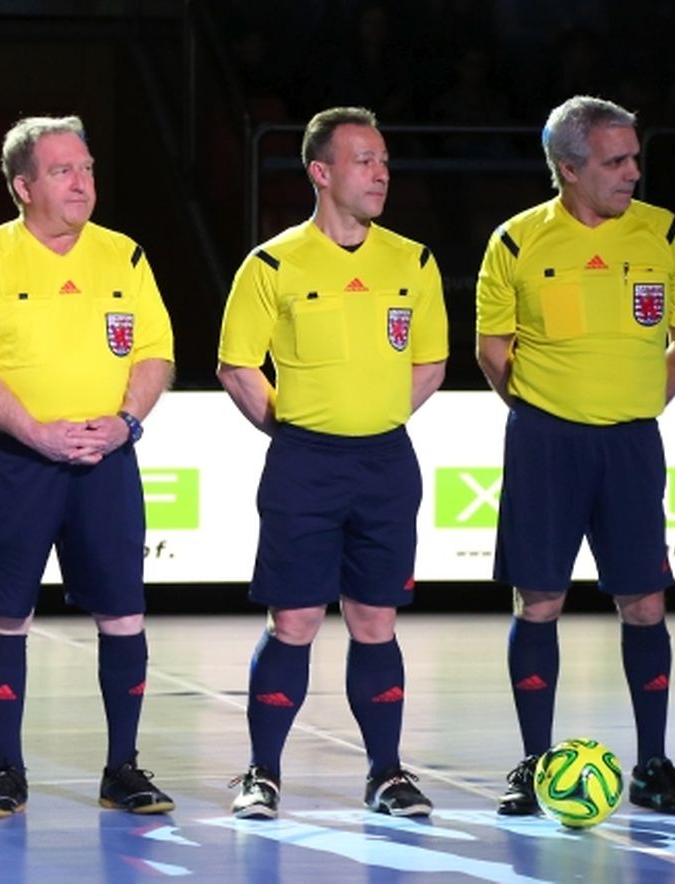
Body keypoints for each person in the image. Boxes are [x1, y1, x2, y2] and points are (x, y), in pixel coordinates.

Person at [0, 115, 176, 818]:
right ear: (23, 186)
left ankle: (122, 768)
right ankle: (8, 770)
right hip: (16, 463)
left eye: (88, 169)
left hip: (107, 462)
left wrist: (127, 422)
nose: (82, 183)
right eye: (64, 171)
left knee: (123, 614)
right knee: (8, 616)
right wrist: (35, 431)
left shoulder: (125, 256)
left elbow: (154, 351)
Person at [476, 95, 675, 817]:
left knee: (645, 601)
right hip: (546, 442)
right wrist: (550, 409)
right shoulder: (515, 243)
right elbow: (492, 351)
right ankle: (536, 764)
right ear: (568, 170)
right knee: (539, 599)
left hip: (632, 443)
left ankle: (653, 765)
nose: (634, 171)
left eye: (635, 156)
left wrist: (640, 402)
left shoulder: (664, 234)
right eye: (616, 161)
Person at [217, 107, 449, 820]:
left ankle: (386, 774)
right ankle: (262, 773)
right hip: (304, 465)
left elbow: (430, 363)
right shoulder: (272, 264)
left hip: (385, 463)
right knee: (294, 621)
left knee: (376, 621)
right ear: (321, 173)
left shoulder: (412, 260)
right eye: (364, 160)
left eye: (383, 160)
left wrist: (370, 418)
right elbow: (236, 366)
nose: (381, 173)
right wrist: (299, 434)